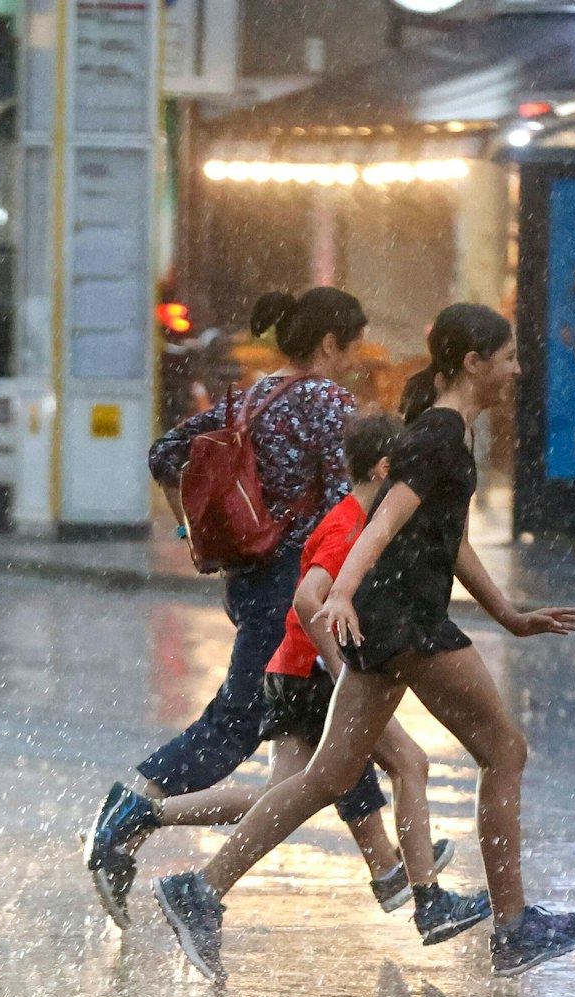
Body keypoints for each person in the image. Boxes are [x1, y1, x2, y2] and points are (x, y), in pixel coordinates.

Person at [153, 304, 575, 984]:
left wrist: (508, 614)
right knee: (505, 751)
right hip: (408, 624)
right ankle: (513, 927)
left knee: (328, 776)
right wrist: (337, 593)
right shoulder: (440, 433)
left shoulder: (445, 431)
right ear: (474, 363)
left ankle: (201, 888)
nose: (517, 370)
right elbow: (381, 523)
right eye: (509, 357)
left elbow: (448, 538)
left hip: (388, 621)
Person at [80, 287, 393, 928]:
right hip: (295, 587)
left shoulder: (252, 395)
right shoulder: (329, 402)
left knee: (327, 721)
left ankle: (393, 869)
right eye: (353, 344)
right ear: (330, 343)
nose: (357, 357)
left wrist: (189, 534)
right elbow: (349, 504)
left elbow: (164, 454)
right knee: (240, 720)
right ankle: (130, 812)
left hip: (252, 577)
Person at [126, 416, 490, 941]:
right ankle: (424, 896)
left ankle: (153, 820)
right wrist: (344, 671)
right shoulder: (350, 527)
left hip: (294, 673)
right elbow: (306, 600)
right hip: (311, 676)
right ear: (384, 468)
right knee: (408, 763)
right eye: (407, 471)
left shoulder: (356, 518)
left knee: (287, 794)